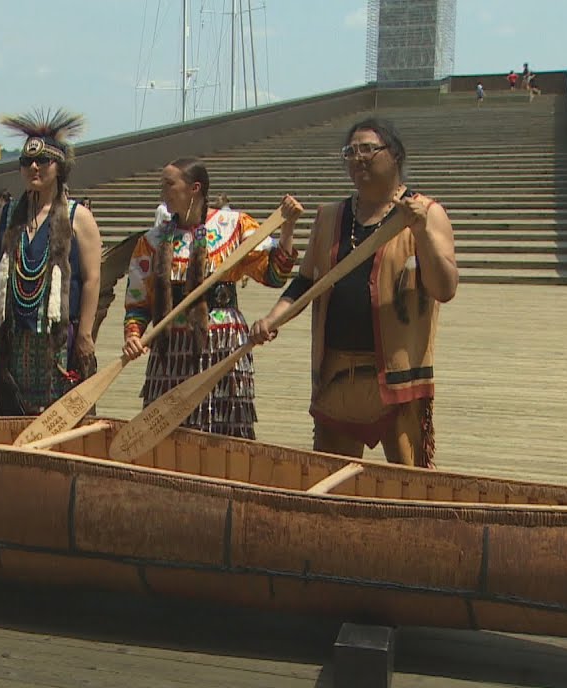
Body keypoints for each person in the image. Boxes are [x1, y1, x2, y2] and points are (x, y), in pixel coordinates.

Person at [249, 118, 457, 468]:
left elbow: (445, 287)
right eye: (351, 151)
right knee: (331, 479)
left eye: (368, 149)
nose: (358, 158)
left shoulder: (426, 213)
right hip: (336, 374)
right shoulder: (329, 217)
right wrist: (272, 319)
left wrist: (421, 232)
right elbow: (305, 283)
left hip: (398, 378)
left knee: (409, 482)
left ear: (394, 155)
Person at [123, 159, 302, 439]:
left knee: (226, 428)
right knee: (169, 434)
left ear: (194, 188)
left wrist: (288, 227)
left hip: (223, 345)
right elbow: (138, 303)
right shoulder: (152, 241)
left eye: (169, 184)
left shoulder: (234, 225)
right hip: (171, 350)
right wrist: (133, 336)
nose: (162, 192)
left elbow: (274, 275)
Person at [0, 109, 103, 415]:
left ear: (59, 167)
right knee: (10, 415)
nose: (34, 167)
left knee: (60, 418)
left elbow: (92, 279)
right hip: (12, 338)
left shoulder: (78, 217)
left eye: (43, 161)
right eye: (26, 161)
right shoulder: (4, 217)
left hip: (59, 340)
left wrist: (85, 334)